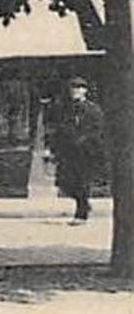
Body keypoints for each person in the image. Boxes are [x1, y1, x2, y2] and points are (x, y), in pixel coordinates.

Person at [46, 76, 105, 224]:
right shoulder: (65, 109)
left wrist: (86, 141)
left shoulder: (93, 109)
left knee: (82, 182)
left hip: (87, 152)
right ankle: (84, 203)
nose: (75, 91)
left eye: (79, 88)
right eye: (73, 88)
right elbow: (58, 128)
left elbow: (98, 129)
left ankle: (81, 214)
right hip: (69, 152)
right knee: (66, 183)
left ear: (85, 91)